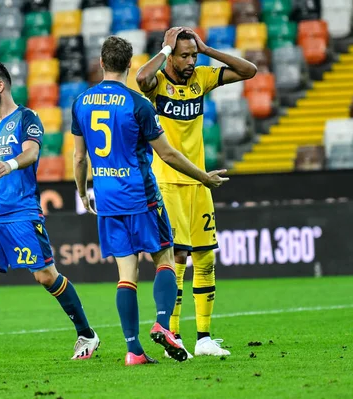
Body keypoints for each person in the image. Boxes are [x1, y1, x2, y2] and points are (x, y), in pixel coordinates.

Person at [72, 36, 228, 365]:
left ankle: (133, 350)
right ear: (129, 65)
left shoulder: (81, 102)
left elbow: (77, 158)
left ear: (101, 63)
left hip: (107, 198)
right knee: (166, 258)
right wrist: (203, 177)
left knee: (126, 275)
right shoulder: (137, 104)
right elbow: (167, 153)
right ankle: (162, 321)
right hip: (142, 196)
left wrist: (82, 191)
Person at [0, 62, 99, 366]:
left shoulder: (27, 117)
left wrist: (10, 164)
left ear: (0, 86)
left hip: (21, 212)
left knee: (44, 275)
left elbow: (32, 152)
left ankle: (87, 333)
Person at [136, 27, 257, 356]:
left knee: (205, 256)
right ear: (171, 55)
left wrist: (207, 49)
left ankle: (203, 337)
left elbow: (250, 70)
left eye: (194, 55)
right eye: (185, 55)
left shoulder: (201, 77)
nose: (191, 61)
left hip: (200, 181)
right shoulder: (159, 83)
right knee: (176, 258)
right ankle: (171, 335)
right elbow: (140, 78)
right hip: (167, 181)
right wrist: (163, 50)